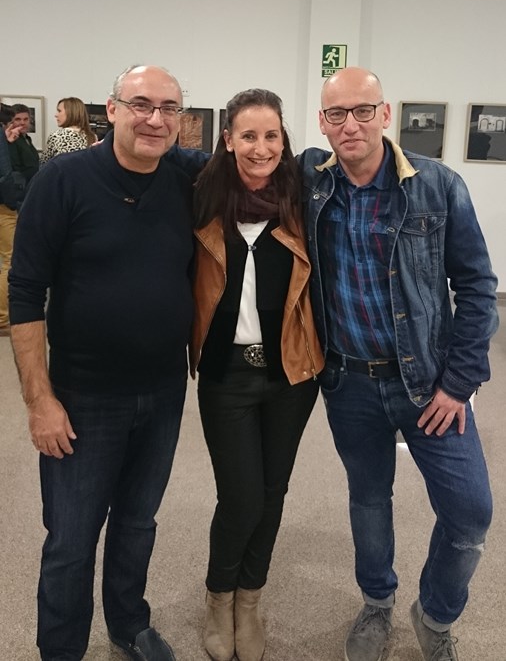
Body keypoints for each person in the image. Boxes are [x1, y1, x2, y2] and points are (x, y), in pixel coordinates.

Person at [298, 68, 498, 661]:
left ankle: (435, 614)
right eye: (337, 114)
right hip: (349, 382)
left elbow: (477, 288)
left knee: (470, 514)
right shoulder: (312, 182)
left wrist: (459, 383)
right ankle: (377, 602)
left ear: (386, 115)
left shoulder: (437, 185)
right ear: (322, 123)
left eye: (363, 110)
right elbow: (239, 156)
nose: (351, 125)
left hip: (429, 384)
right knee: (368, 500)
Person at [8, 65, 205, 661]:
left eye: (169, 108)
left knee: (138, 524)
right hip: (83, 397)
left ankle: (129, 624)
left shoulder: (186, 179)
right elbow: (25, 292)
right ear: (111, 109)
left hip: (163, 392)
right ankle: (61, 649)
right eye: (141, 104)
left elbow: (257, 163)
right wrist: (39, 400)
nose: (155, 119)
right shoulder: (63, 180)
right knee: (71, 539)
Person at [190, 88, 323, 661]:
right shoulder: (202, 195)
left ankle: (249, 601)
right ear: (228, 139)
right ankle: (218, 597)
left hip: (290, 375)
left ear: (283, 139)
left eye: (272, 135)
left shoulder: (302, 198)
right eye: (248, 135)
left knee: (272, 493)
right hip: (226, 375)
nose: (261, 147)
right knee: (241, 496)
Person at [0, 103, 39, 336]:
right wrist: (13, 202)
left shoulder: (24, 140)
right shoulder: (8, 141)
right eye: (16, 120)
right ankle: (3, 317)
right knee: (9, 258)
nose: (21, 124)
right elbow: (8, 174)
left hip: (17, 200)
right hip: (9, 202)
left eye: (25, 119)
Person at [41, 96, 97, 162]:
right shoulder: (92, 137)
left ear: (70, 113)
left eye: (59, 111)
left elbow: (44, 164)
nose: (56, 115)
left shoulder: (56, 136)